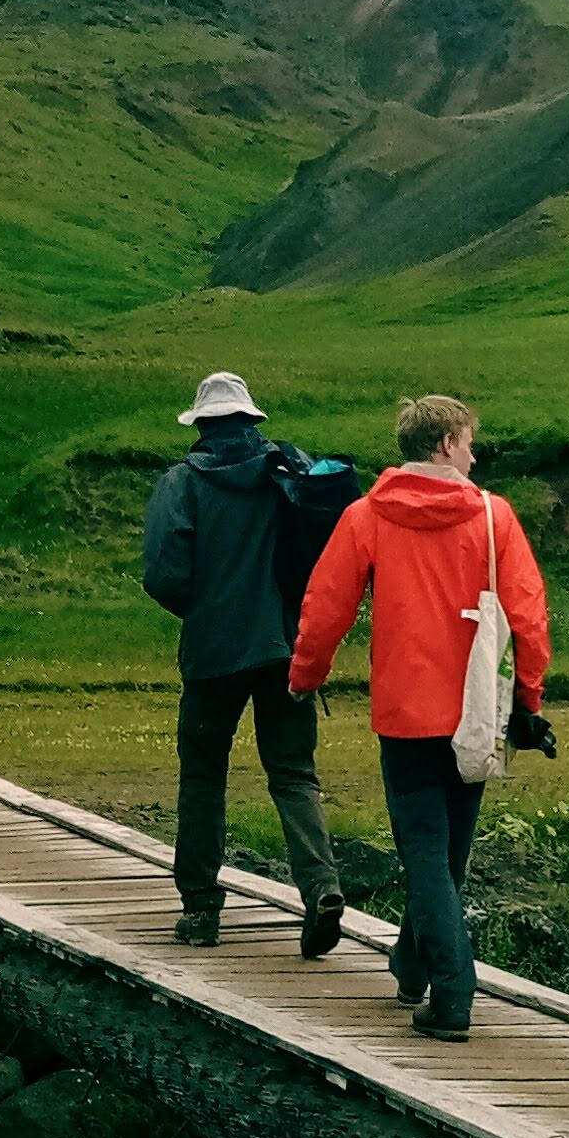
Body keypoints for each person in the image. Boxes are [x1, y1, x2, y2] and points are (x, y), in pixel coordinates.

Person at [286, 393, 552, 1041]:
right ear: (442, 446)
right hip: (474, 713)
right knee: (447, 857)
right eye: (466, 441)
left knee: (427, 855)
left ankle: (436, 981)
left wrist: (306, 676)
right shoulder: (495, 517)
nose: (473, 452)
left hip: (405, 712)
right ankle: (435, 980)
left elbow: (326, 606)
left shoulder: (366, 516)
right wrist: (529, 701)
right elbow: (530, 619)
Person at [138, 370, 345, 957]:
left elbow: (164, 573)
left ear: (202, 425)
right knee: (294, 775)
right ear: (252, 422)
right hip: (285, 650)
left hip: (212, 655)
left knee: (203, 778)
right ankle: (322, 888)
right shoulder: (287, 474)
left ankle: (202, 910)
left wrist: (203, 610)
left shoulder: (181, 483)